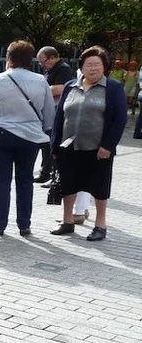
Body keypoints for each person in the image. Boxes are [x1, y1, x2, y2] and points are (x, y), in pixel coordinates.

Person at [0, 41, 53, 236]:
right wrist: (45, 133)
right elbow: (49, 115)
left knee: (2, 180)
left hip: (0, 134)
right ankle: (24, 224)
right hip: (30, 137)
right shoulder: (40, 81)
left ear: (8, 58)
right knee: (25, 179)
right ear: (30, 60)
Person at [50, 46, 128, 241]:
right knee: (68, 184)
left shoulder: (113, 88)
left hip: (98, 149)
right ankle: (68, 222)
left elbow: (120, 120)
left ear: (104, 66)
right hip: (69, 147)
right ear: (81, 67)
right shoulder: (70, 86)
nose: (92, 68)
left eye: (97, 64)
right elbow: (59, 117)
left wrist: (108, 146)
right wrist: (54, 145)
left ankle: (100, 225)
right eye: (88, 64)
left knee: (100, 187)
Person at [36, 46, 75, 184]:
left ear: (52, 57)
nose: (41, 65)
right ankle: (45, 172)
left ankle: (54, 176)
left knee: (53, 143)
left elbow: (60, 88)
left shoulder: (63, 69)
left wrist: (40, 89)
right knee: (46, 143)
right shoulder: (51, 69)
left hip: (57, 111)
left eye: (43, 62)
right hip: (49, 111)